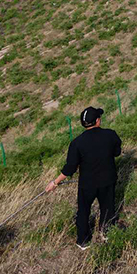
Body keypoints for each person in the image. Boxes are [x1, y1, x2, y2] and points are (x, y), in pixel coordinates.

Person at [45, 106, 122, 250]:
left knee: (84, 211)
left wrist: (54, 182)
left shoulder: (76, 143)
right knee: (107, 207)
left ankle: (83, 240)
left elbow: (70, 168)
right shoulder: (110, 134)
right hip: (108, 179)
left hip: (87, 184)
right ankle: (106, 232)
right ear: (98, 121)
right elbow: (117, 152)